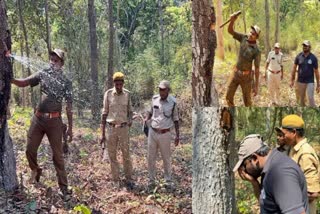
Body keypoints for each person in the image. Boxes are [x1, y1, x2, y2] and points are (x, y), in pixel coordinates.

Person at [11, 49, 73, 198]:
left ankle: (64, 188)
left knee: (57, 156)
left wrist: (71, 128)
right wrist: (10, 79)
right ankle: (36, 169)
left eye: (56, 60)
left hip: (55, 122)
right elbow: (24, 82)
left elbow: (69, 107)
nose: (53, 62)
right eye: (51, 59)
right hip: (38, 119)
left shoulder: (66, 82)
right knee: (29, 149)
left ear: (62, 63)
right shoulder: (43, 74)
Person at [234, 134, 309, 213]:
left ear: (255, 158)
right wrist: (254, 183)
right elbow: (267, 203)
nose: (244, 171)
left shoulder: (281, 173)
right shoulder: (269, 168)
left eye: (244, 165)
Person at [277, 114, 320, 214]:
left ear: (294, 133)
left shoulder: (305, 153)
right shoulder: (294, 148)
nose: (282, 137)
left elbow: (313, 193)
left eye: (284, 133)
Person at [100, 72, 134, 189]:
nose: (119, 86)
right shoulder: (108, 94)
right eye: (116, 84)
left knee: (126, 155)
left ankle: (128, 179)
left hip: (124, 128)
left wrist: (130, 121)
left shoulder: (128, 94)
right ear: (114, 83)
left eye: (120, 84)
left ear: (123, 83)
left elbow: (130, 111)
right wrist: (102, 133)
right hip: (111, 128)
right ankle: (116, 180)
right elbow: (104, 113)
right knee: (112, 155)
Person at [144, 80, 179, 190]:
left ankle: (168, 181)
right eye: (160, 89)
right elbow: (150, 112)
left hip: (165, 134)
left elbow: (176, 119)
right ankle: (151, 181)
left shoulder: (173, 102)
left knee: (166, 158)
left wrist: (177, 135)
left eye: (163, 90)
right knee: (151, 157)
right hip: (153, 132)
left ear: (168, 90)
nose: (161, 92)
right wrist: (146, 119)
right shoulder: (154, 99)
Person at [225, 12, 261, 107]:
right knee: (228, 97)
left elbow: (257, 69)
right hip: (236, 74)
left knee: (247, 102)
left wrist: (256, 86)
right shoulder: (243, 38)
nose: (251, 34)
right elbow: (230, 31)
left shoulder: (256, 50)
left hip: (246, 78)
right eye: (251, 32)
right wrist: (232, 21)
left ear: (256, 37)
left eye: (253, 34)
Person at [290, 40, 320, 107]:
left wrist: (318, 84)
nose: (304, 47)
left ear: (309, 47)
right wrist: (292, 80)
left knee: (310, 98)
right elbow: (294, 68)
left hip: (310, 81)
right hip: (300, 81)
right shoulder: (299, 56)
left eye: (306, 46)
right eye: (303, 45)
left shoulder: (313, 58)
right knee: (301, 100)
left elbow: (316, 72)